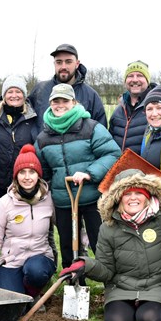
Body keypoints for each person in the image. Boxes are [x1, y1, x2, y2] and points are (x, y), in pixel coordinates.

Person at [60, 169, 161, 321]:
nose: (133, 198)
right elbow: (106, 269)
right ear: (118, 198)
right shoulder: (109, 228)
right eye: (127, 194)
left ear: (147, 196)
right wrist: (86, 264)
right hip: (122, 287)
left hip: (158, 285)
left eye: (138, 192)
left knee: (151, 319)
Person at [35, 84, 121, 267]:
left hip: (91, 196)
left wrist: (90, 173)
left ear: (73, 102)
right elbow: (44, 169)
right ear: (50, 103)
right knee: (67, 245)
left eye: (65, 101)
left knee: (100, 243)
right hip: (63, 199)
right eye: (56, 101)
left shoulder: (91, 128)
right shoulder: (44, 137)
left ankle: (111, 284)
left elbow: (112, 154)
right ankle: (73, 284)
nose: (60, 105)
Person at [0, 144, 56, 301]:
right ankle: (24, 298)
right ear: (16, 176)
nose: (27, 177)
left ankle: (33, 294)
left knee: (36, 271)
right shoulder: (5, 203)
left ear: (38, 175)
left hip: (39, 258)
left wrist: (83, 243)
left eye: (32, 172)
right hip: (11, 262)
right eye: (22, 172)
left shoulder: (48, 200)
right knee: (14, 304)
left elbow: (64, 228)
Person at [0, 75, 40, 207]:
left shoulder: (32, 118)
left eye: (18, 91)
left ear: (24, 95)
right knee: (1, 219)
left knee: (20, 221)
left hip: (24, 182)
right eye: (10, 92)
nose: (14, 95)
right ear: (4, 95)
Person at [28, 43, 107, 128]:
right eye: (59, 62)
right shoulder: (39, 91)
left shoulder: (91, 96)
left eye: (68, 62)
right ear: (54, 64)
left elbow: (101, 132)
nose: (63, 66)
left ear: (77, 64)